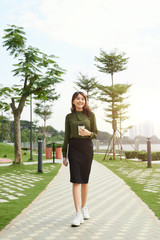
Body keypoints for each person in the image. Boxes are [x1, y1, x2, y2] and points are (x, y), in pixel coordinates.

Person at [62, 91, 97, 227]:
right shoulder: (69, 117)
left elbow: (95, 133)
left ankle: (84, 207)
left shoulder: (90, 115)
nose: (80, 101)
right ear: (73, 101)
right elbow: (66, 137)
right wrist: (64, 154)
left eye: (82, 99)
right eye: (78, 99)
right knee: (75, 180)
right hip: (74, 148)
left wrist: (89, 133)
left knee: (84, 180)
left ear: (85, 101)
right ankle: (77, 213)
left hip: (87, 148)